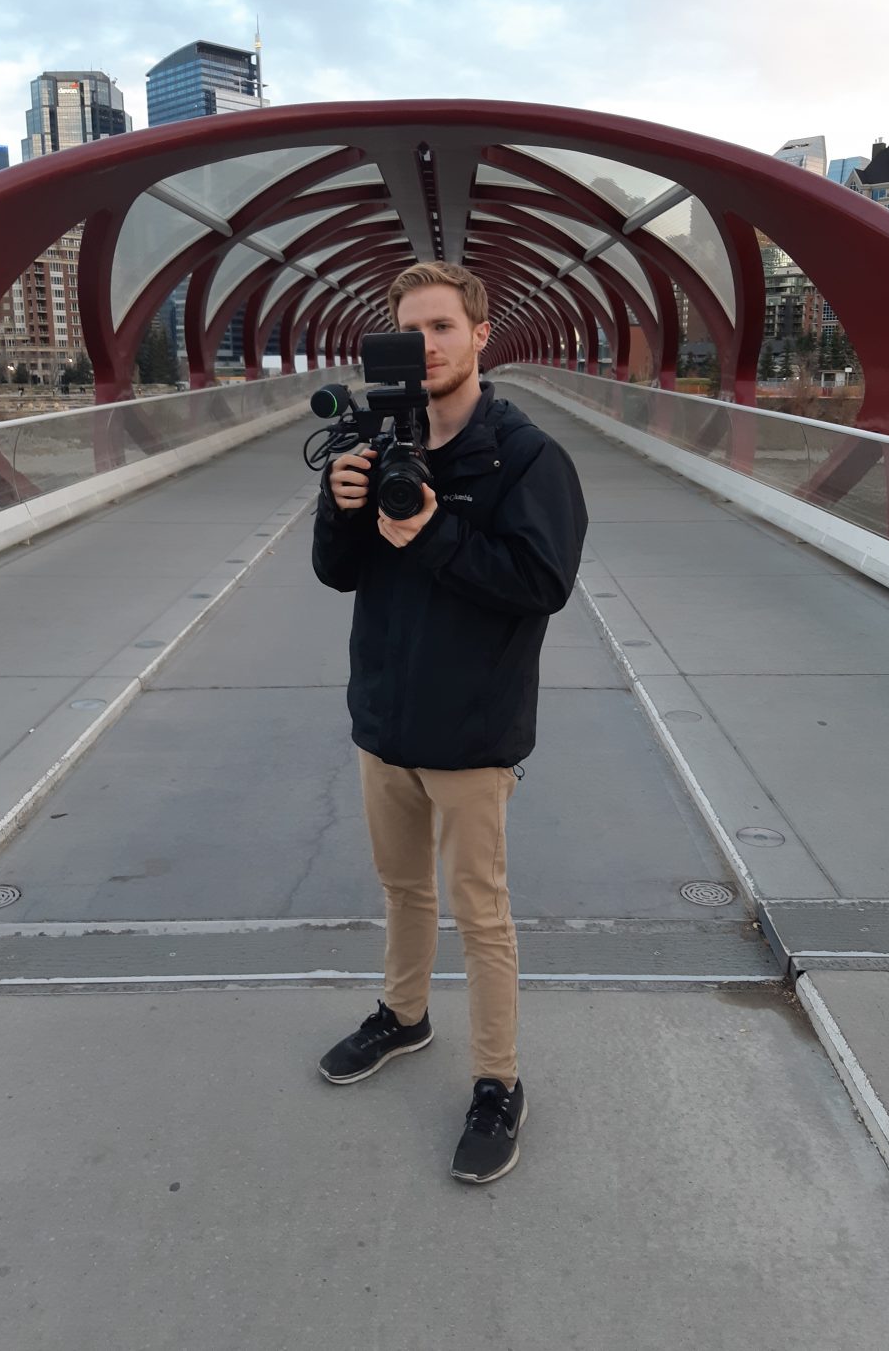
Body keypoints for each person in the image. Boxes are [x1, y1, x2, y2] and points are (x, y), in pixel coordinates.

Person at [312, 261, 588, 1184]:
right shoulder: (375, 439)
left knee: (482, 913)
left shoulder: (526, 457)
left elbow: (541, 584)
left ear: (481, 337)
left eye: (441, 327)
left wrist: (432, 531)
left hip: (472, 728)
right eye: (408, 331)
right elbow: (338, 573)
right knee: (401, 889)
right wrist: (341, 504)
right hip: (384, 714)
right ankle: (404, 1014)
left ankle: (498, 1079)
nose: (425, 346)